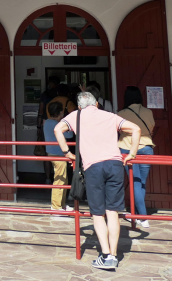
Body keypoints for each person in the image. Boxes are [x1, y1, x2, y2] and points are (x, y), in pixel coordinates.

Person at [54, 91, 141, 271]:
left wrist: (66, 153)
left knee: (97, 213)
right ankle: (114, 255)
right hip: (115, 165)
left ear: (79, 106)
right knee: (112, 212)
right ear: (96, 104)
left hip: (93, 167)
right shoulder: (110, 116)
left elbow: (58, 129)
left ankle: (106, 255)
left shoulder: (76, 116)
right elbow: (136, 129)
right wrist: (131, 153)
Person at [117, 85, 155, 228]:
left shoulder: (121, 113)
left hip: (127, 146)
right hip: (146, 146)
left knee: (135, 182)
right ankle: (139, 213)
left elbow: (119, 128)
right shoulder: (148, 111)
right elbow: (151, 126)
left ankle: (141, 216)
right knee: (141, 182)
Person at [44, 100, 73, 214]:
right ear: (60, 113)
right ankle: (56, 207)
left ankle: (61, 204)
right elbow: (69, 134)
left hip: (52, 153)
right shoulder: (56, 124)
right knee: (60, 179)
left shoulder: (47, 122)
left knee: (62, 179)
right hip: (58, 154)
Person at [37, 75, 61, 185]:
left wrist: (38, 127)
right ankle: (59, 178)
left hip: (46, 124)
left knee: (47, 152)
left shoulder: (45, 95)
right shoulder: (60, 94)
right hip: (60, 124)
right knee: (61, 151)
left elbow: (41, 111)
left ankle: (47, 178)